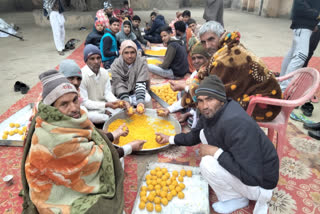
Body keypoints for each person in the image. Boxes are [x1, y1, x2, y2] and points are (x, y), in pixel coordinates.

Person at [21, 70, 146, 214]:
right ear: (52, 107)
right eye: (64, 104)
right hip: (56, 189)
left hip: (70, 168)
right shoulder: (54, 138)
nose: (74, 108)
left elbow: (92, 135)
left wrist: (113, 135)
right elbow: (100, 159)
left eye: (75, 100)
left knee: (117, 159)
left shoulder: (66, 119)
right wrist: (130, 147)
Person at [156, 75, 279, 214]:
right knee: (203, 134)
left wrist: (216, 152)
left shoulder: (237, 124)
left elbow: (251, 177)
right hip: (248, 168)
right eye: (201, 101)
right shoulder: (214, 111)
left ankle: (236, 199)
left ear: (221, 99)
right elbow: (195, 135)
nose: (204, 106)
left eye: (210, 99)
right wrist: (170, 139)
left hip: (260, 184)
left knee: (207, 163)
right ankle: (236, 194)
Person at [181, 21, 282, 122]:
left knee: (212, 106)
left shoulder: (226, 57)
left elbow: (215, 92)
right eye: (203, 42)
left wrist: (186, 87)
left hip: (264, 105)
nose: (207, 46)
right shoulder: (228, 46)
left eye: (211, 39)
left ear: (221, 36)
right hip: (263, 95)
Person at [157, 42, 211, 128]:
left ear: (207, 59)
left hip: (207, 106)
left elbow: (201, 96)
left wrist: (183, 87)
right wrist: (169, 109)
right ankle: (190, 112)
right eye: (193, 58)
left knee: (191, 123)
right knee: (181, 94)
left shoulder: (209, 74)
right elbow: (187, 95)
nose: (196, 61)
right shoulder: (194, 74)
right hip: (196, 103)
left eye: (200, 58)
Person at [80, 44, 127, 125]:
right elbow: (85, 102)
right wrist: (105, 106)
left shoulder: (104, 72)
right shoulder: (81, 76)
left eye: (98, 58)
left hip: (104, 105)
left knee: (121, 109)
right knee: (89, 116)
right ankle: (108, 117)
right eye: (92, 59)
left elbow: (107, 93)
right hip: (90, 109)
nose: (96, 61)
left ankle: (108, 117)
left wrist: (117, 102)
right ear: (86, 61)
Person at [280, 0, 320, 91]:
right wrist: (317, 15)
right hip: (303, 26)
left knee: (292, 53)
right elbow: (299, 6)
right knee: (301, 56)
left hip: (305, 25)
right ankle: (283, 89)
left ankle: (281, 84)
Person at [111, 40, 151, 109]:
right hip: (121, 93)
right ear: (121, 53)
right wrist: (126, 101)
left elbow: (141, 82)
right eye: (126, 53)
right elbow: (119, 85)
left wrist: (140, 101)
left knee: (147, 99)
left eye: (132, 52)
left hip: (136, 91)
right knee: (119, 105)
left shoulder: (141, 62)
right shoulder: (116, 65)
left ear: (136, 52)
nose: (129, 56)